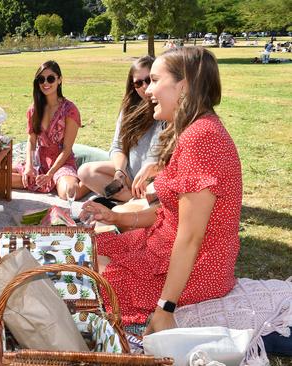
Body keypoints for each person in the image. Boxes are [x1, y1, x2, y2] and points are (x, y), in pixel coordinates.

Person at [80, 47, 242, 335]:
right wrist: (116, 219)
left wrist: (166, 307)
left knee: (89, 283)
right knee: (82, 250)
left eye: (155, 80)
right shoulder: (191, 130)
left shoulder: (202, 137)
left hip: (195, 268)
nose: (148, 90)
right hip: (160, 247)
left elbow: (191, 237)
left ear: (183, 85)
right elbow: (169, 213)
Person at [78, 56, 164, 202]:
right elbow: (117, 146)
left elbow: (159, 155)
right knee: (85, 172)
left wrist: (146, 176)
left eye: (149, 80)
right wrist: (120, 172)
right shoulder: (129, 109)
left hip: (154, 176)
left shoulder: (164, 108)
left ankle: (139, 202)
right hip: (130, 174)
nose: (144, 87)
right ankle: (135, 200)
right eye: (138, 83)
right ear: (132, 86)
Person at [11, 60, 85, 200]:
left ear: (59, 80)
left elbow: (67, 149)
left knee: (69, 192)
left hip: (61, 162)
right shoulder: (34, 109)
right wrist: (29, 166)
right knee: (0, 179)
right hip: (39, 161)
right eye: (41, 79)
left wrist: (50, 174)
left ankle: (88, 181)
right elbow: (32, 141)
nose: (46, 83)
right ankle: (40, 180)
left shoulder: (70, 110)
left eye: (50, 78)